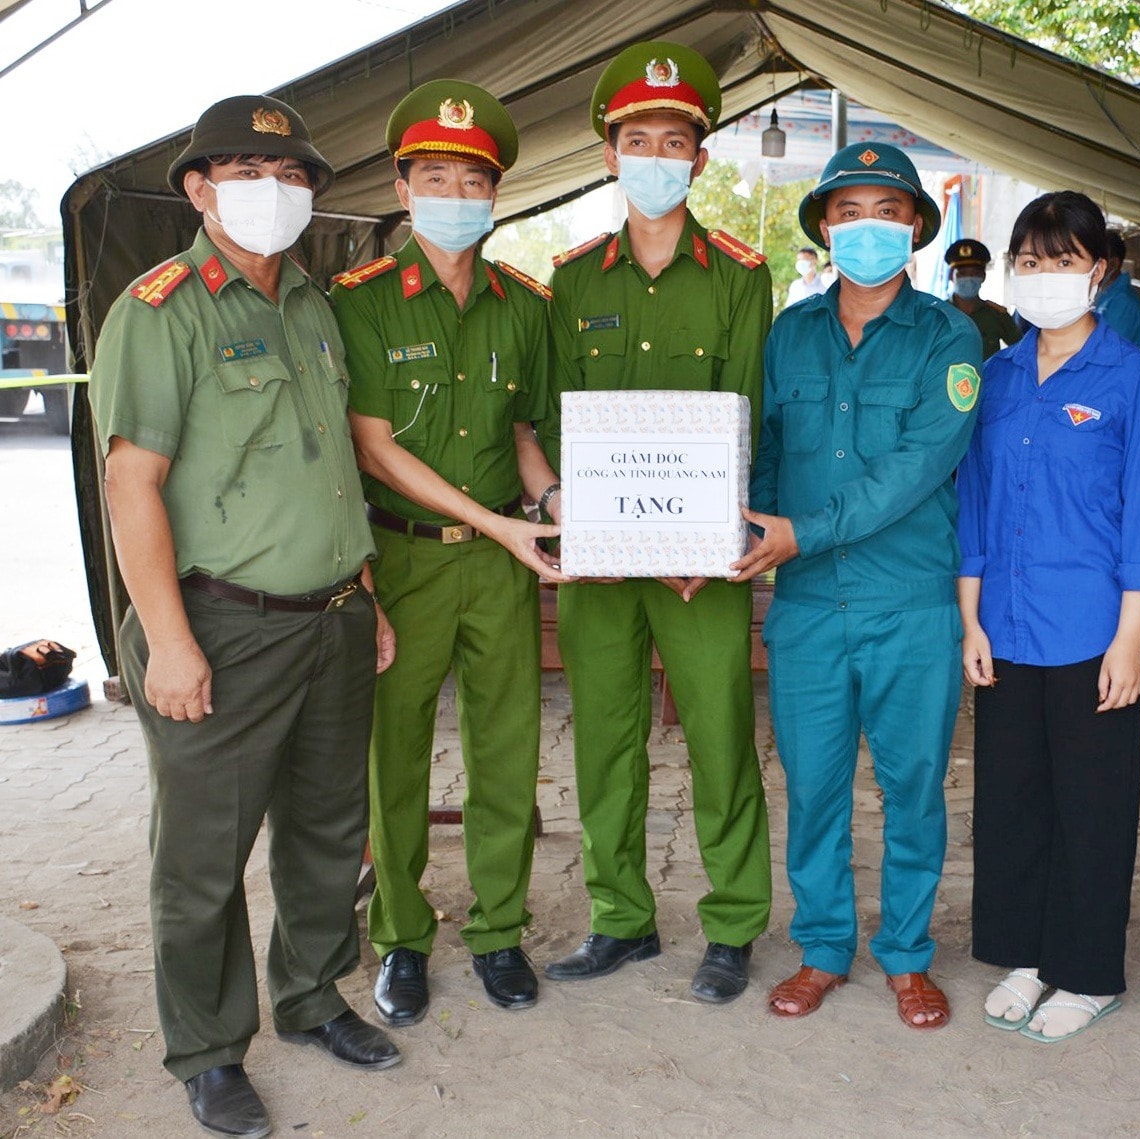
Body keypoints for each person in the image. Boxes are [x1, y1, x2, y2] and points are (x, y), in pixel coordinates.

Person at [89, 95, 400, 1139]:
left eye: (295, 176)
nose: (276, 193)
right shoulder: (160, 306)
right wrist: (167, 640)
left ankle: (313, 995)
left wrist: (368, 593)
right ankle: (210, 1049)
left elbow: (327, 473)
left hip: (335, 618)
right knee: (203, 856)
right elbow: (132, 485)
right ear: (199, 188)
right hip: (221, 624)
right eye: (248, 173)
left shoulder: (312, 305)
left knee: (325, 833)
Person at [541, 41, 773, 1006]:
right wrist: (572, 521)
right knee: (602, 739)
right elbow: (557, 419)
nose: (654, 155)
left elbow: (745, 405)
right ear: (608, 154)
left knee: (721, 736)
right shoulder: (571, 279)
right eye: (637, 139)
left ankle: (732, 924)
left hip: (699, 563)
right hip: (600, 563)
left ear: (700, 160)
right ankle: (620, 917)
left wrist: (702, 538)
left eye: (673, 141)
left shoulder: (737, 273)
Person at [330, 80, 566, 1029]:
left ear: (497, 193)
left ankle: (500, 930)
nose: (456, 196)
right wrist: (506, 519)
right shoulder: (366, 301)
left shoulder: (524, 304)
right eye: (436, 177)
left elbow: (522, 434)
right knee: (397, 756)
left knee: (508, 749)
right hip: (405, 562)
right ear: (401, 185)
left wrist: (551, 503)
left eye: (473, 181)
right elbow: (376, 445)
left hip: (502, 563)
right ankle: (400, 937)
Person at [730, 143, 981, 1029]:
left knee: (913, 783)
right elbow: (761, 455)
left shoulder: (949, 336)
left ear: (914, 227)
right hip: (805, 606)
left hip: (908, 602)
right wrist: (742, 533)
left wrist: (802, 531)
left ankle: (908, 955)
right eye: (847, 212)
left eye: (885, 210)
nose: (866, 227)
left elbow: (920, 466)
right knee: (814, 784)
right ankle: (823, 946)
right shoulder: (788, 332)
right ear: (825, 228)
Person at [958, 191, 1140, 1042]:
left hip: (1092, 630)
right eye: (1030, 261)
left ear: (1101, 272)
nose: (1044, 276)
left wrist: (1130, 638)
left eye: (1063, 260)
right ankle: (1027, 954)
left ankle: (1086, 972)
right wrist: (969, 623)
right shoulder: (998, 375)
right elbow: (972, 508)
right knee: (1013, 801)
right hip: (1004, 626)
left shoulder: (1130, 379)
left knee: (1091, 803)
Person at [945, 237, 1022, 361]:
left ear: (983, 276)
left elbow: (1022, 351)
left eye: (974, 273)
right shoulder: (939, 315)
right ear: (950, 276)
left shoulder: (997, 315)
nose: (969, 278)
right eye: (962, 273)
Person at [1093, 229, 1140, 348]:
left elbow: (1108, 351)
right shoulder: (1106, 295)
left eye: (1096, 261)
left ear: (1113, 264)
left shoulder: (1123, 302)